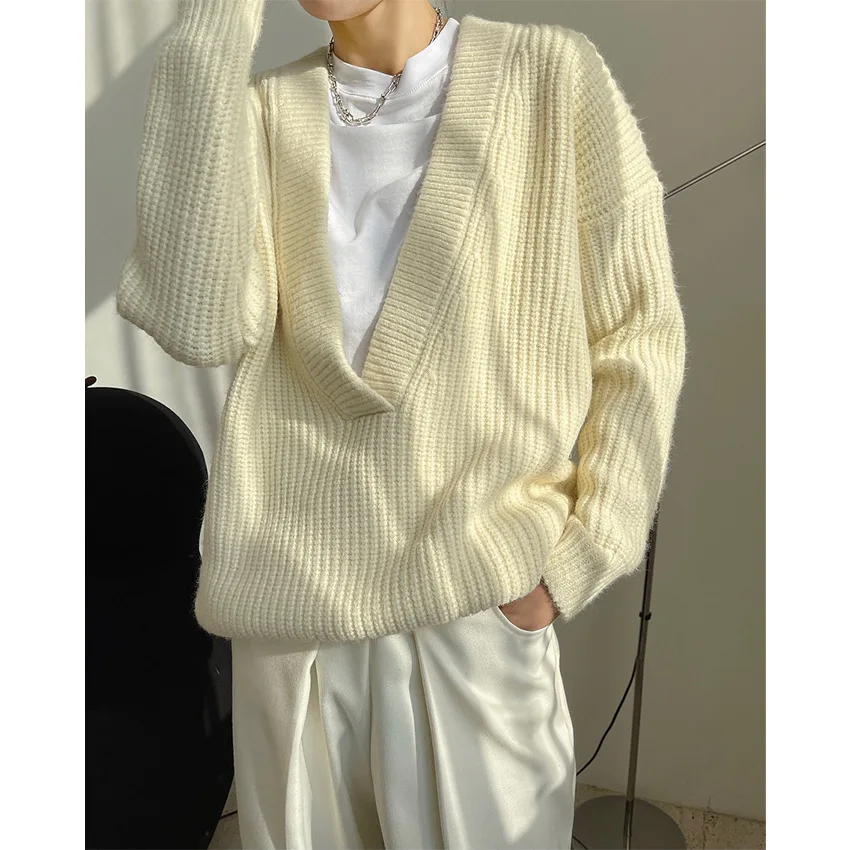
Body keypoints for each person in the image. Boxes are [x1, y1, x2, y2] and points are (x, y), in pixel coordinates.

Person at [115, 0, 687, 847]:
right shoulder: (263, 111)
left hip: (473, 604)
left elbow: (638, 333)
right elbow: (201, 327)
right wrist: (209, 29)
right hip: (290, 615)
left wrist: (577, 559)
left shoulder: (550, 75)